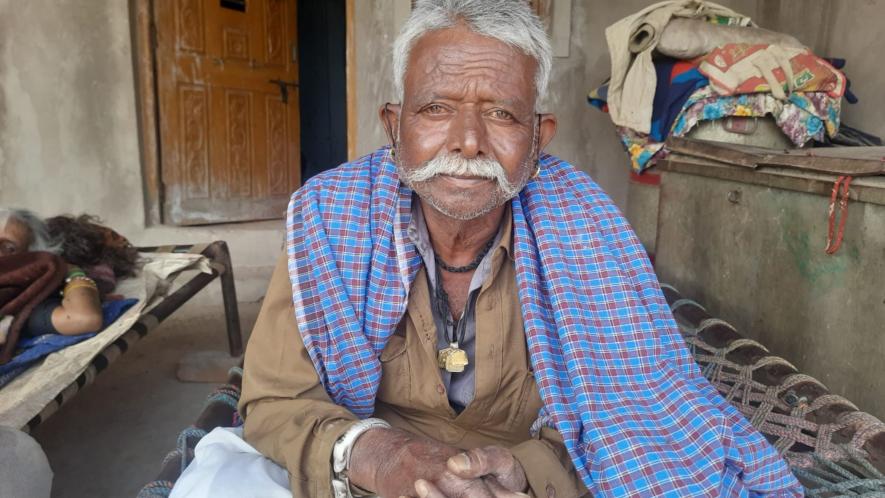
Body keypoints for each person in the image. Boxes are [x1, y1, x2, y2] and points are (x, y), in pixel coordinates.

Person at [174, 1, 802, 497]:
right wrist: (383, 458)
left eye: (501, 114)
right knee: (223, 482)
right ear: (395, 127)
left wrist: (525, 470)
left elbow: (635, 412)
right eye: (437, 108)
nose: (468, 142)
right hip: (366, 471)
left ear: (538, 137)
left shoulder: (588, 227)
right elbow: (276, 399)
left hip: (524, 482)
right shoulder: (329, 214)